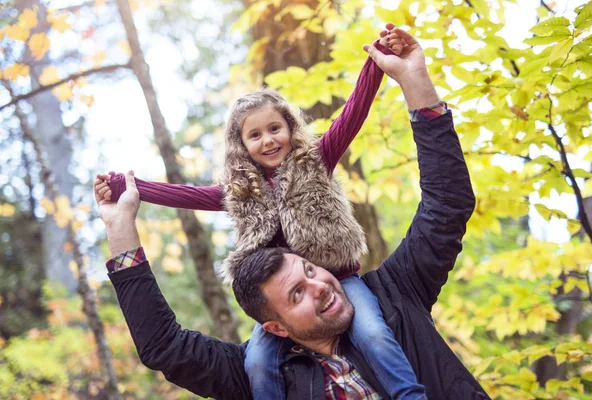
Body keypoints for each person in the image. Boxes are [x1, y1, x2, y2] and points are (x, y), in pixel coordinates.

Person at [95, 27, 490, 400]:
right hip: (269, 353)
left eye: (311, 273)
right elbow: (164, 343)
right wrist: (126, 205)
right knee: (257, 361)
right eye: (296, 292)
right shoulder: (240, 195)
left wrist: (390, 68)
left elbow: (439, 199)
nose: (317, 285)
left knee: (373, 333)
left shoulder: (395, 301)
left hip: (352, 279)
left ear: (289, 128)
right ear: (275, 325)